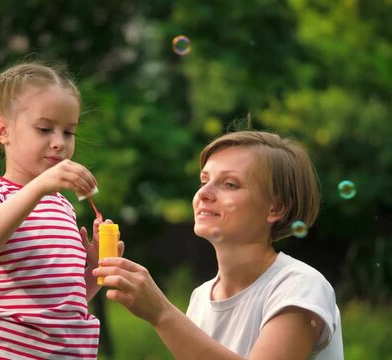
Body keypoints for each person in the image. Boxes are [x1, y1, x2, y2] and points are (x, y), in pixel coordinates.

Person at [93, 130, 344, 359]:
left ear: (275, 208)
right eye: (204, 181)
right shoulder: (201, 298)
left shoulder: (299, 287)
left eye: (229, 184)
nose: (204, 193)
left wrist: (162, 314)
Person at [0, 61, 115, 360]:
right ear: (2, 130)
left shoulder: (61, 206)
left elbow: (65, 304)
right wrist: (39, 186)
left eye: (69, 132)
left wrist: (93, 270)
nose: (59, 143)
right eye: (45, 129)